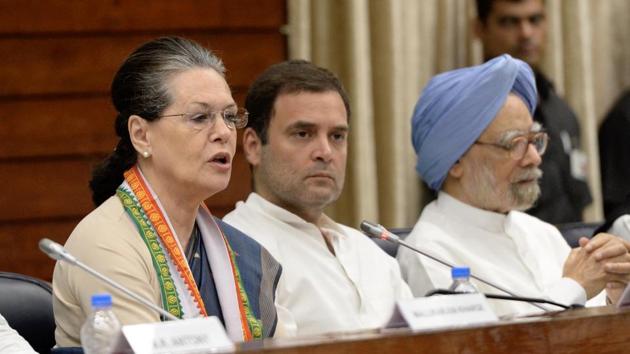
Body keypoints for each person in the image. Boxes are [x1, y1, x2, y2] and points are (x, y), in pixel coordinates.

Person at [52, 37, 283, 346]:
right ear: (141, 135)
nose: (223, 133)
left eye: (229, 116)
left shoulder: (245, 253)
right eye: (200, 117)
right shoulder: (105, 243)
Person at [397, 54, 630, 317]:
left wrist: (616, 293)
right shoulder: (428, 254)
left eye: (534, 140)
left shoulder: (541, 233)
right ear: (456, 161)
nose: (533, 157)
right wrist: (572, 286)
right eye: (513, 143)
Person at [223, 60, 412, 336]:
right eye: (303, 134)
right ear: (253, 146)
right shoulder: (237, 249)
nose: (325, 151)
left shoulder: (368, 249)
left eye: (337, 136)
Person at [474, 0, 591, 224]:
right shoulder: (471, 112)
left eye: (534, 20)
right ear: (480, 28)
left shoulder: (561, 109)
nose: (526, 33)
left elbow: (578, 201)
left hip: (568, 247)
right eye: (509, 22)